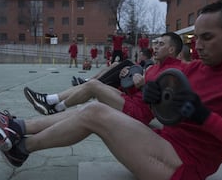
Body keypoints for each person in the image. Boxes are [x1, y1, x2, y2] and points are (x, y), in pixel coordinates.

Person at [0, 2, 222, 180]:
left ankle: (20, 147)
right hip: (163, 144)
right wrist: (154, 97)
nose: (198, 46)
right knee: (90, 108)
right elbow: (165, 111)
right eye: (195, 39)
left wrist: (205, 117)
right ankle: (18, 127)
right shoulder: (194, 68)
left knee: (95, 110)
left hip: (181, 167)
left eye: (206, 38)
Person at [23, 32, 184, 118]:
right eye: (155, 44)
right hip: (130, 100)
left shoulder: (175, 73)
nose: (155, 47)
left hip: (138, 112)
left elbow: (162, 105)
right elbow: (138, 94)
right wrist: (132, 83)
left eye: (160, 44)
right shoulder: (154, 68)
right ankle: (53, 103)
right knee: (102, 79)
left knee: (93, 88)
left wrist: (142, 86)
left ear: (171, 50)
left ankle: (54, 104)